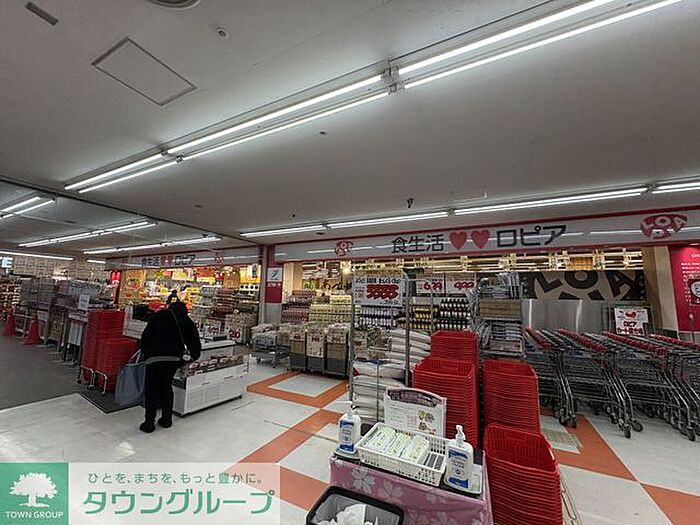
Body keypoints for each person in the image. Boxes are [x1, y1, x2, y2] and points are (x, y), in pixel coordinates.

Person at [138, 298, 201, 433]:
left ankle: (149, 423)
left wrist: (145, 352)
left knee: (152, 389)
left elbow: (146, 335)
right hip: (173, 359)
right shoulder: (186, 320)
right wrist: (186, 360)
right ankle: (167, 420)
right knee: (166, 386)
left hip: (154, 357)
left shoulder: (159, 315)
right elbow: (195, 344)